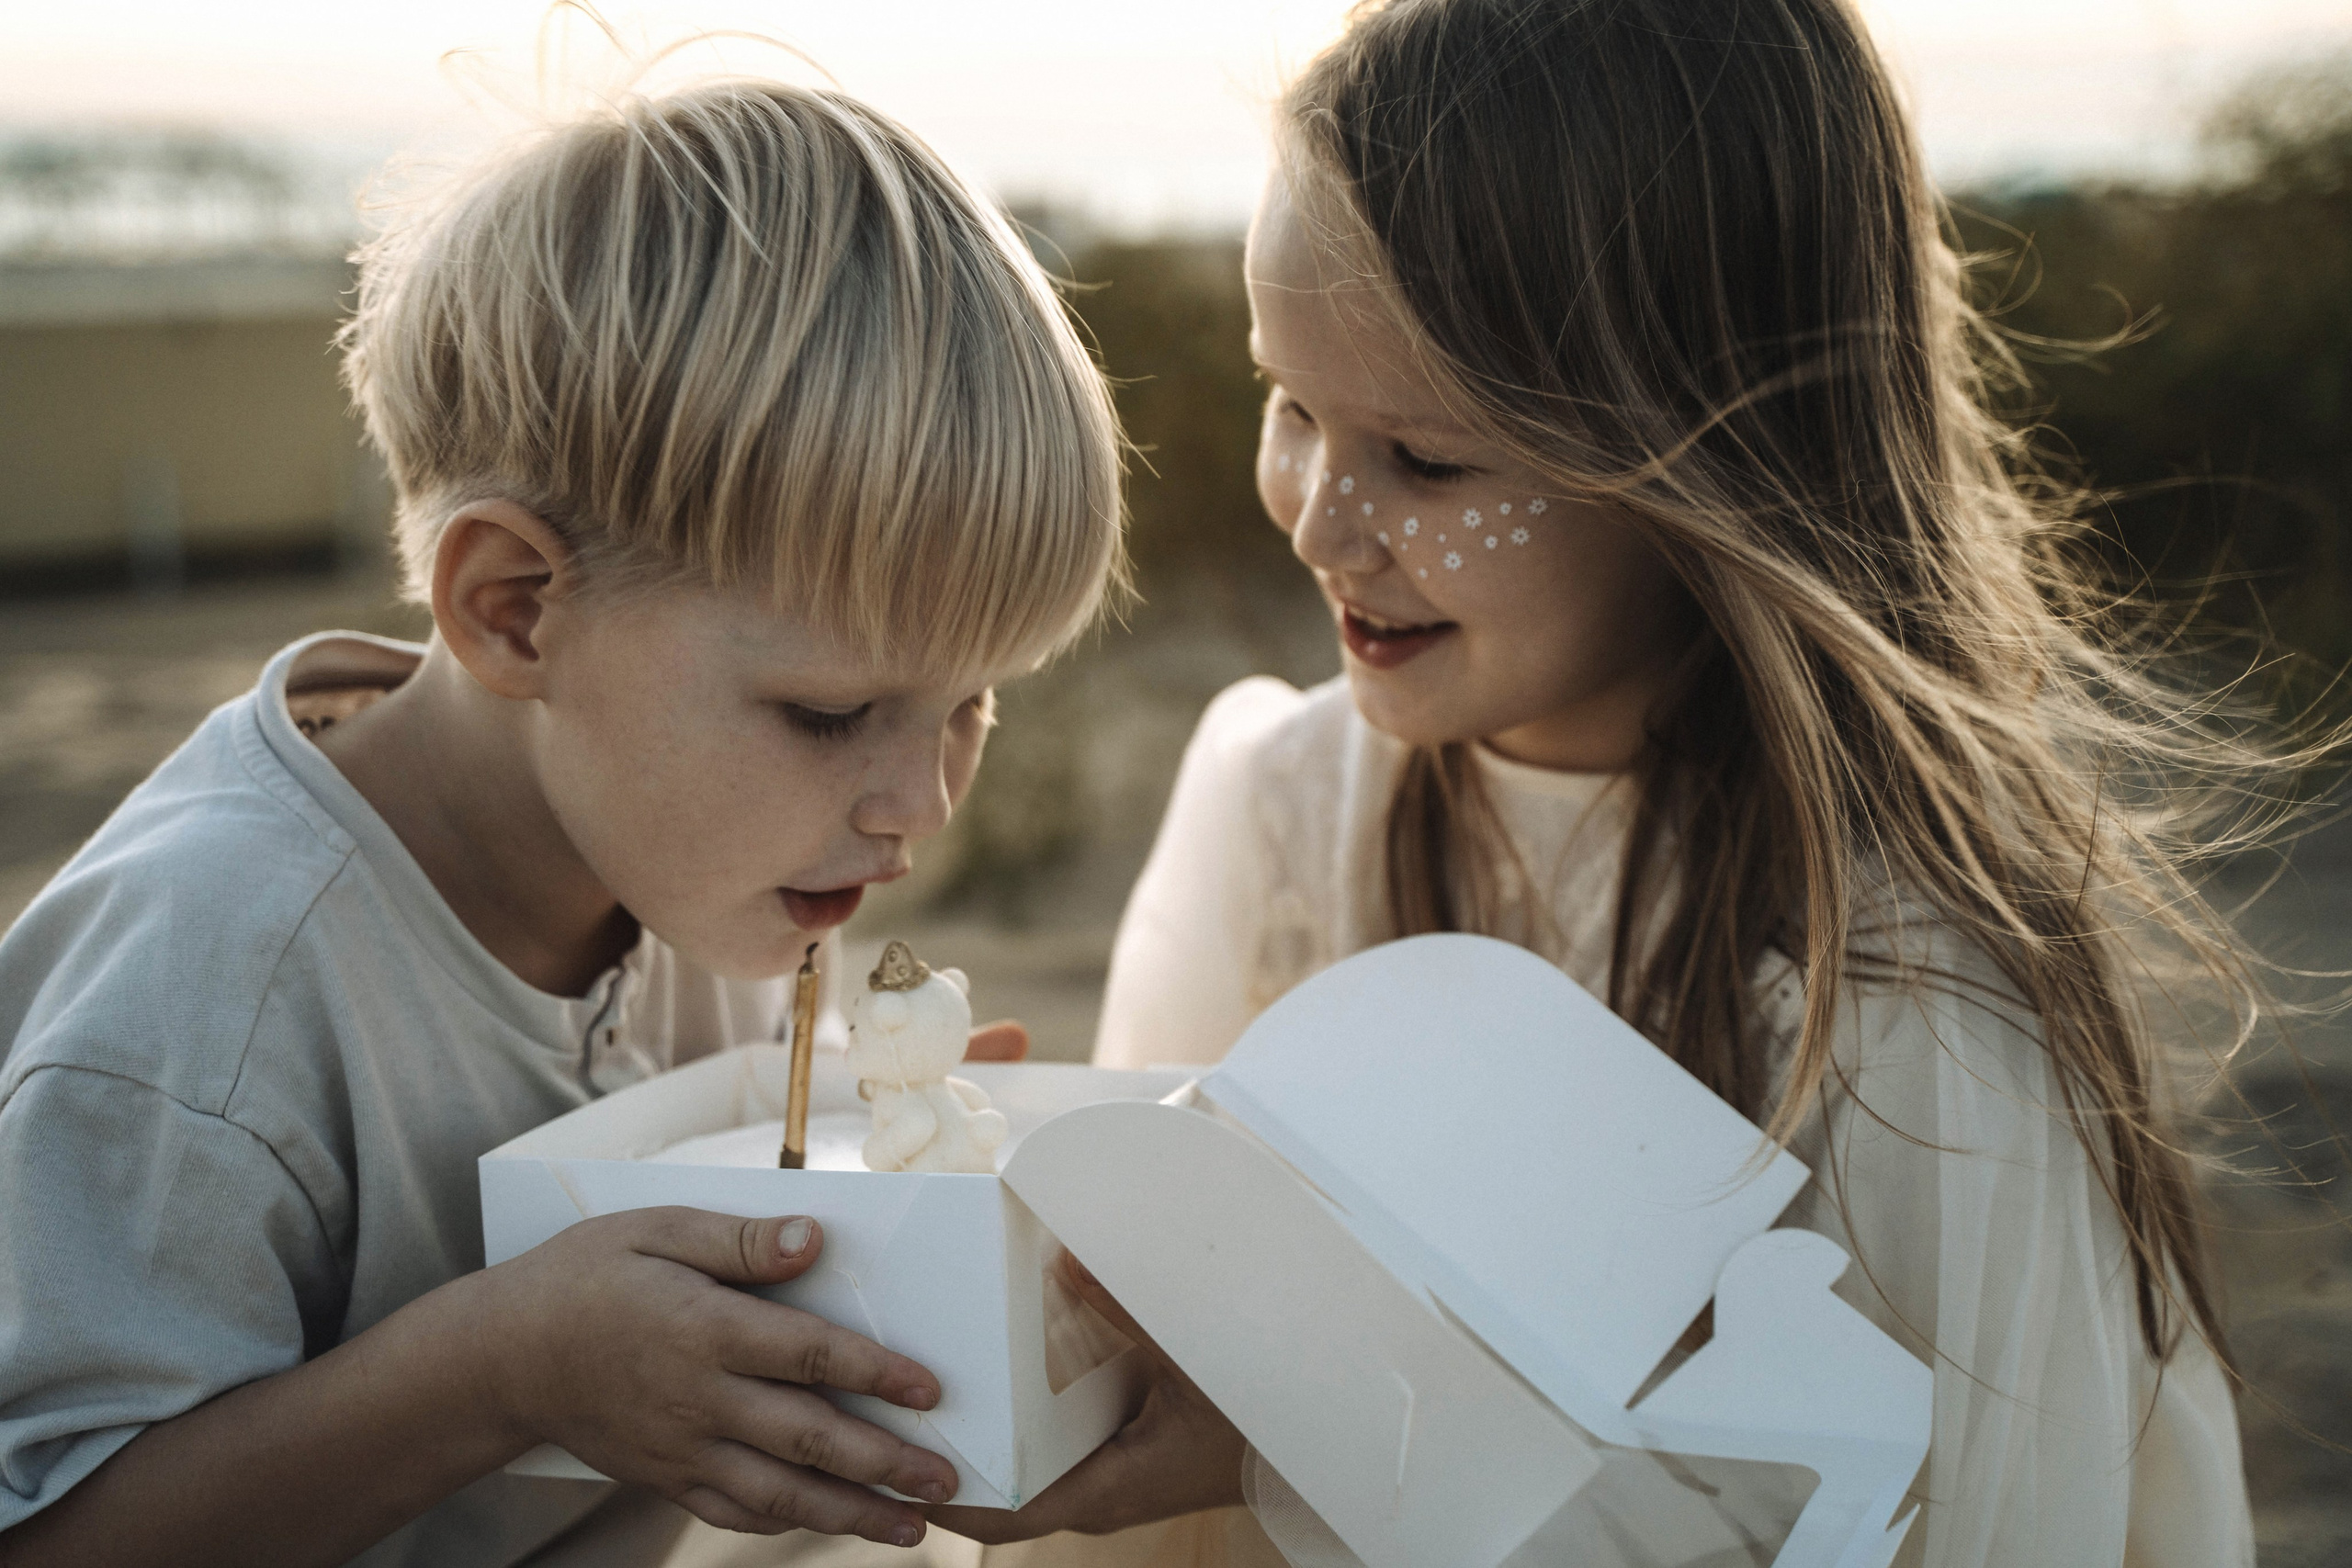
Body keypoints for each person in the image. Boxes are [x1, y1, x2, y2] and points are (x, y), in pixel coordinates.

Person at [936, 0, 2268, 1563]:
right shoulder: (1282, 804)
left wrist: (1326, 1428)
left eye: (1426, 461)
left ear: (1716, 457)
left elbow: (1973, 1526)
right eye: (1288, 404)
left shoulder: (1912, 985)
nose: (1318, 517)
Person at [0, 76, 1120, 1568]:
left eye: (976, 705)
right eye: (831, 714)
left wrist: (887, 1163)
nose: (923, 805)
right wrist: (501, 1371)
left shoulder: (719, 869)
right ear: (517, 612)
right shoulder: (205, 1000)